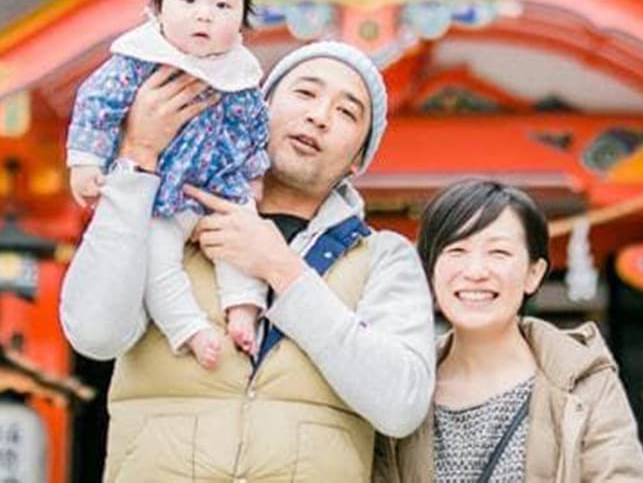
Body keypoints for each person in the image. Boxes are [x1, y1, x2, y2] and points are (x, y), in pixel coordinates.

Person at [60, 39, 436, 482]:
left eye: (347, 112)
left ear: (359, 159)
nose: (319, 116)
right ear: (257, 109)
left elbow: (400, 405)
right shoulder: (165, 218)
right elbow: (94, 332)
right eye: (305, 93)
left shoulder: (383, 257)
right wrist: (138, 160)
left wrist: (281, 268)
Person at [66, 0, 268, 368]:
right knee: (158, 257)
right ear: (157, 8)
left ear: (243, 21)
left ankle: (244, 308)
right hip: (161, 196)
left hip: (221, 189)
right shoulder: (138, 61)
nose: (204, 14)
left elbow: (254, 130)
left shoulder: (239, 74)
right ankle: (188, 327)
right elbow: (97, 105)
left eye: (223, 5)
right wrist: (85, 159)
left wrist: (254, 177)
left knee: (246, 237)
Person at [377, 179, 643, 483]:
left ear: (533, 274)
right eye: (457, 250)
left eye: (498, 252)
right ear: (430, 272)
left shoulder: (584, 382)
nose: (476, 271)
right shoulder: (402, 387)